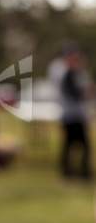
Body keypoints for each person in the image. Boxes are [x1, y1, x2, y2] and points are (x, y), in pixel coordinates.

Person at [50, 46, 91, 179]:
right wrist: (86, 92)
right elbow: (75, 94)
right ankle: (76, 172)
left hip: (75, 114)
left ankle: (74, 171)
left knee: (72, 145)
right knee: (77, 145)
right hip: (71, 115)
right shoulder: (67, 75)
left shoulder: (74, 74)